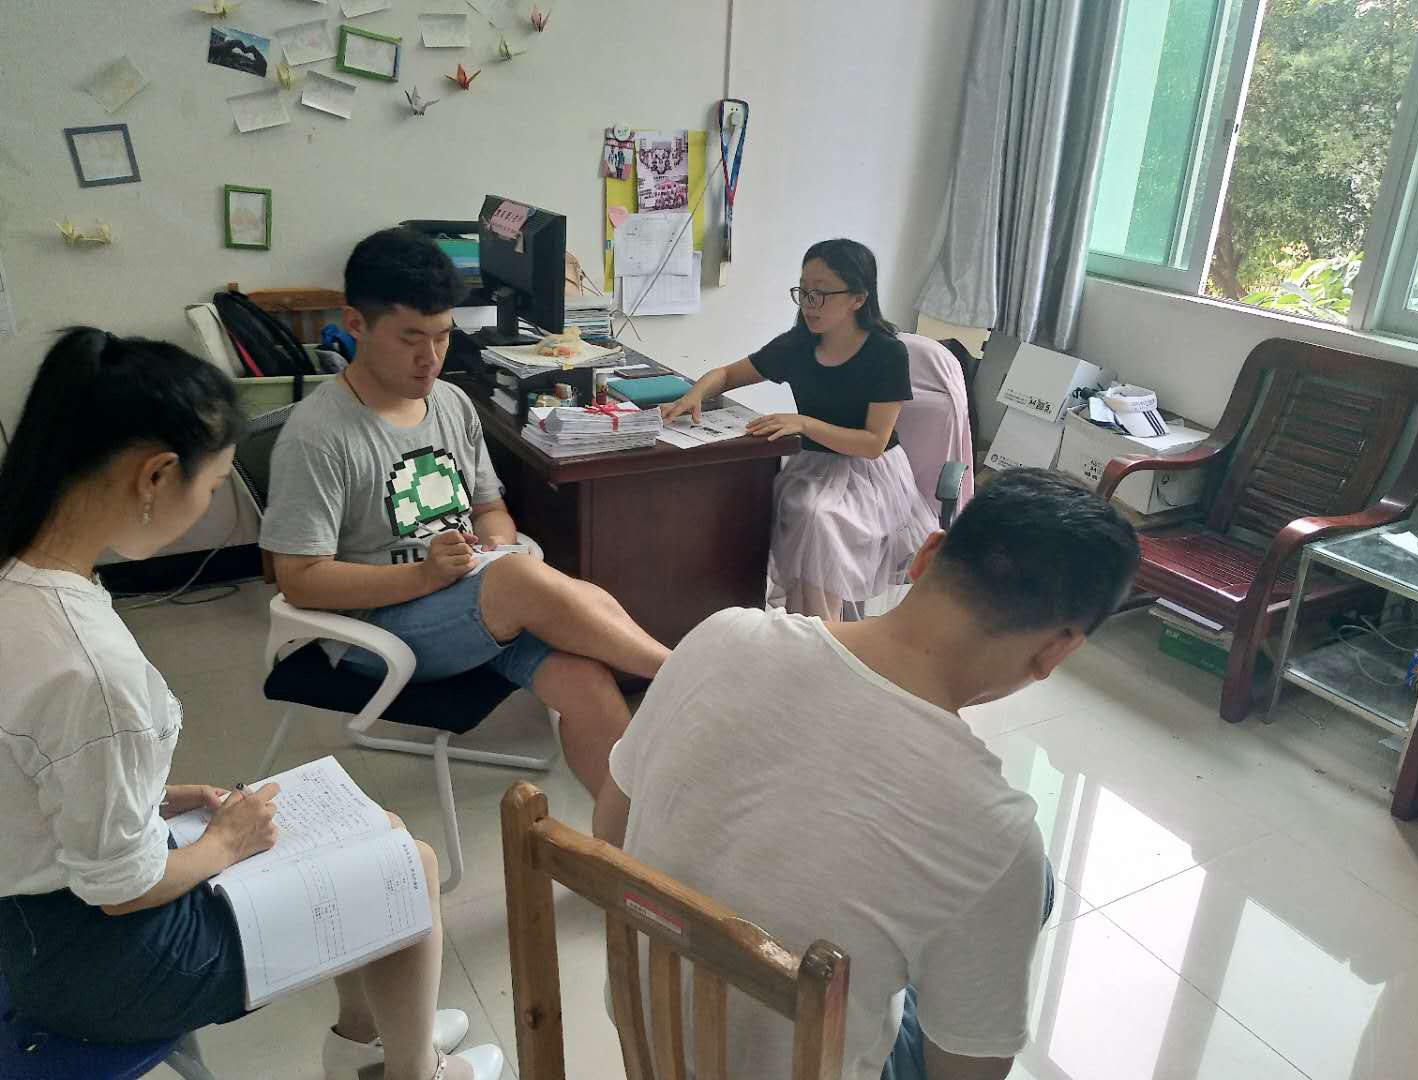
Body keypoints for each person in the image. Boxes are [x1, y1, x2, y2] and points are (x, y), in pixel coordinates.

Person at [0, 329, 501, 1080]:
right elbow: (122, 892)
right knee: (408, 862)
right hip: (104, 966)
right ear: (155, 476)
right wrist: (224, 845)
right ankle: (411, 1069)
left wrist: (155, 796)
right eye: (212, 485)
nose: (211, 504)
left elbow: (36, 768)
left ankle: (370, 1044)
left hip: (34, 926)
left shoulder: (21, 582)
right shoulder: (91, 667)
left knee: (371, 833)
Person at [593, 468, 1140, 1080]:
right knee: (1029, 890)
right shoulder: (996, 834)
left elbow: (610, 828)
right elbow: (966, 1074)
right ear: (1056, 650)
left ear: (925, 555)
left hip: (650, 1033)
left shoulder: (721, 634)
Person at [261, 228, 670, 797]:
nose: (430, 358)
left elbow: (489, 509)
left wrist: (493, 546)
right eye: (410, 339)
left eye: (442, 336)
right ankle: (685, 672)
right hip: (374, 632)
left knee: (588, 681)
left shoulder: (451, 402)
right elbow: (300, 580)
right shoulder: (318, 435)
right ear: (356, 324)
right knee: (522, 577)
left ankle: (627, 834)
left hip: (470, 602)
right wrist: (427, 575)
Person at [662, 238, 937, 620]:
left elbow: (874, 443)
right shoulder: (797, 345)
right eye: (803, 291)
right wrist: (694, 394)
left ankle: (821, 632)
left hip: (871, 475)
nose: (808, 303)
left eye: (820, 293)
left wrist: (804, 423)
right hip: (814, 467)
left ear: (858, 298)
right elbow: (726, 374)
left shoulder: (886, 353)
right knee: (778, 512)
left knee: (818, 519)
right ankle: (810, 628)